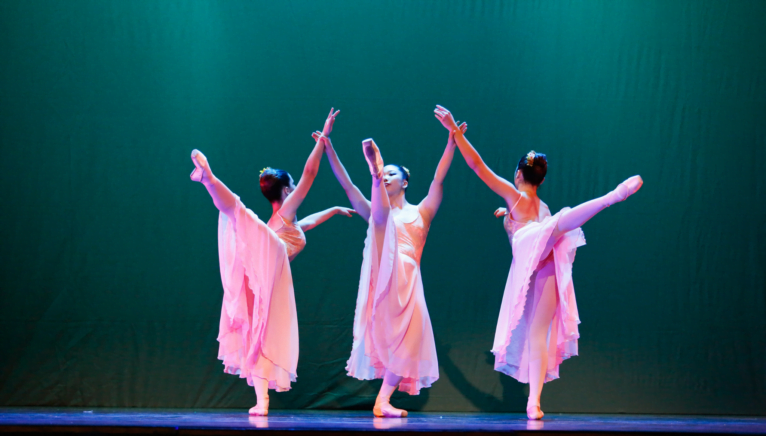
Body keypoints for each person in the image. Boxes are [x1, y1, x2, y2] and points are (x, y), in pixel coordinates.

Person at [433, 105, 643, 420]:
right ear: (540, 180)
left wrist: (454, 133)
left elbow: (478, 167)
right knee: (539, 329)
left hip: (533, 253)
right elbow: (529, 239)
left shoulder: (516, 197)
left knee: (557, 227)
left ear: (519, 174)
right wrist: (510, 221)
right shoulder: (539, 206)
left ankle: (611, 197)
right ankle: (534, 402)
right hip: (540, 263)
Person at [189, 109, 354, 416]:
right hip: (270, 263)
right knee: (239, 213)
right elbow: (310, 174)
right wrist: (324, 137)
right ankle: (210, 179)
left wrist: (333, 209)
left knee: (260, 334)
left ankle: (261, 401)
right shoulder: (284, 214)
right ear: (287, 190)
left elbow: (308, 224)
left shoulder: (285, 221)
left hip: (265, 274)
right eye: (293, 187)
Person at [314, 120, 466, 417]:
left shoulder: (421, 211)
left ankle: (382, 401)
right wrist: (328, 148)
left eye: (389, 174)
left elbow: (438, 180)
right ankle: (371, 167)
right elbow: (347, 185)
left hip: (409, 281)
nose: (388, 177)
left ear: (405, 182)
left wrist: (452, 142)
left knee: (411, 340)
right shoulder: (375, 211)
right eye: (384, 174)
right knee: (379, 217)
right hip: (384, 270)